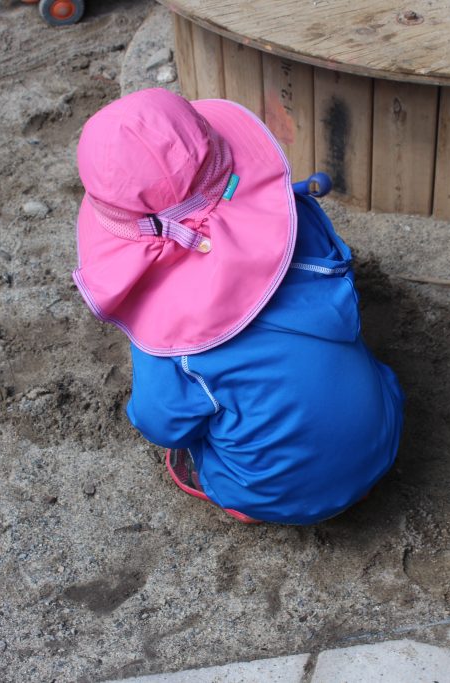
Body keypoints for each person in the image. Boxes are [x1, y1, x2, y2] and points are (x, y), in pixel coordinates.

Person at [72, 88, 403, 524]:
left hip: (279, 495)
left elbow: (161, 422)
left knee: (202, 431)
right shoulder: (299, 215)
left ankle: (250, 499)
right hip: (384, 438)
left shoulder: (169, 333)